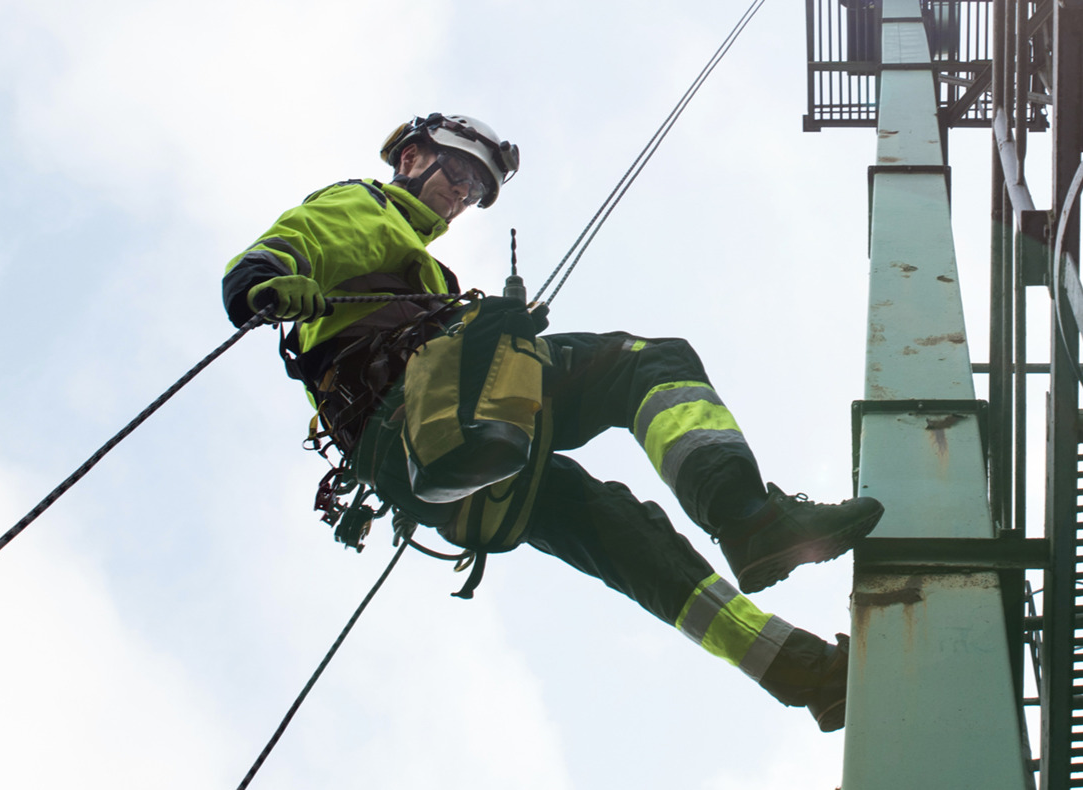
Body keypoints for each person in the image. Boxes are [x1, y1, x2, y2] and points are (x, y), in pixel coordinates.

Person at [222, 113, 884, 732]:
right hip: (434, 407)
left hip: (419, 460)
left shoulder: (424, 270)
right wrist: (264, 277)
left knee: (625, 536)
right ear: (412, 156)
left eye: (474, 190)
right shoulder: (371, 208)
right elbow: (305, 239)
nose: (460, 196)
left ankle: (807, 675)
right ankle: (747, 517)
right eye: (457, 175)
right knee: (643, 365)